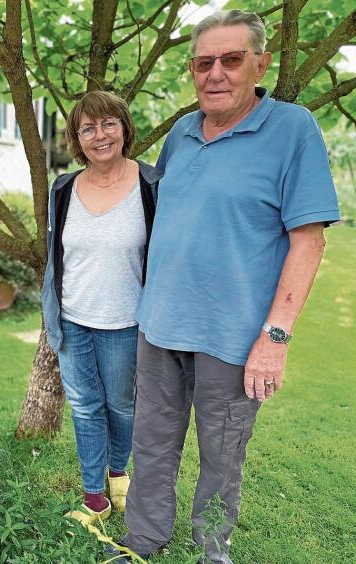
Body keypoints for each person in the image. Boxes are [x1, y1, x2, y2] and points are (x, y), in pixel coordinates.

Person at [117, 10, 341, 563]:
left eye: (231, 59)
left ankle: (212, 550)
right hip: (161, 324)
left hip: (234, 336)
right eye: (202, 62)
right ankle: (142, 542)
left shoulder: (292, 129)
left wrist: (276, 338)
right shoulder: (182, 133)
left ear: (260, 64)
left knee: (222, 455)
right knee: (151, 444)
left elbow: (307, 241)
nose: (214, 73)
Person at [40, 90, 162, 525]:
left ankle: (118, 474)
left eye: (108, 123)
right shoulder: (63, 188)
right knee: (86, 407)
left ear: (125, 128)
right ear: (78, 138)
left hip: (127, 323)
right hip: (72, 320)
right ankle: (96, 497)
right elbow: (57, 255)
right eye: (87, 128)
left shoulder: (151, 184)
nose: (99, 134)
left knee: (122, 406)